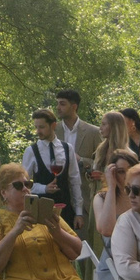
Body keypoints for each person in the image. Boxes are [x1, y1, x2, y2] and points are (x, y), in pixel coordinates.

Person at [20, 106, 81, 225]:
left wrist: (79, 212)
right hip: (41, 211)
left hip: (66, 210)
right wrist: (44, 188)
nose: (38, 131)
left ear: (53, 125)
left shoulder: (67, 148)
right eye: (36, 127)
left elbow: (75, 180)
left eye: (41, 127)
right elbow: (24, 185)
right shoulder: (31, 151)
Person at [52, 89, 100, 232]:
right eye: (57, 104)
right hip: (58, 196)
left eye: (62, 104)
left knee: (83, 246)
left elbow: (100, 164)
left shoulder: (93, 132)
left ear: (74, 107)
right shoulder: (52, 131)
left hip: (84, 197)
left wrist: (81, 160)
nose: (58, 108)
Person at [91, 150, 138, 238]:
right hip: (113, 250)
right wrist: (111, 187)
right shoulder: (101, 198)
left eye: (131, 170)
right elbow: (106, 230)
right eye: (121, 172)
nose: (127, 175)